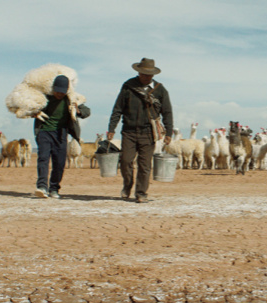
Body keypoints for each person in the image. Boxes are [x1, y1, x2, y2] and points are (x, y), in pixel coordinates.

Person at [107, 58, 173, 203]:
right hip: (129, 131)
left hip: (148, 133)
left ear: (153, 75)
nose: (146, 77)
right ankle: (127, 185)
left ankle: (141, 193)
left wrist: (169, 132)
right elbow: (118, 108)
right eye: (143, 74)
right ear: (138, 72)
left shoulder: (160, 90)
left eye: (148, 74)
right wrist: (112, 127)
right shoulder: (128, 86)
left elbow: (167, 112)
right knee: (125, 161)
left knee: (145, 165)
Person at [34, 75, 91, 199]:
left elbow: (87, 111)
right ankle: (42, 187)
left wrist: (78, 110)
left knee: (59, 163)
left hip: (61, 133)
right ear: (53, 88)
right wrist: (33, 112)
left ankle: (54, 189)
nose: (59, 94)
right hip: (44, 132)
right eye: (57, 91)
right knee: (43, 159)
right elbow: (29, 107)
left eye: (62, 92)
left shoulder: (71, 99)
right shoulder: (44, 98)